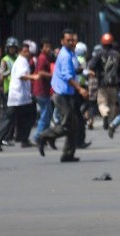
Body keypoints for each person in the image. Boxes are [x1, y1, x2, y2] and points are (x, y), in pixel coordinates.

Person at [38, 29, 88, 162]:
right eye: (68, 40)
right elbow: (67, 76)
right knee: (67, 125)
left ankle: (68, 154)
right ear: (62, 41)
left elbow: (74, 70)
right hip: (61, 94)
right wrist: (80, 89)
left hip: (68, 94)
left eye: (73, 40)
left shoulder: (71, 54)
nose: (71, 42)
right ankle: (44, 136)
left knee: (74, 124)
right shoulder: (65, 55)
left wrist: (86, 72)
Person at [0, 42, 39, 151]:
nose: (27, 53)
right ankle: (2, 139)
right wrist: (33, 77)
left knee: (20, 118)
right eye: (25, 51)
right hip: (19, 96)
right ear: (20, 52)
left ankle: (22, 139)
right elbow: (21, 75)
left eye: (28, 51)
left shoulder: (21, 61)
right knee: (15, 118)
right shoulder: (22, 61)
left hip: (20, 96)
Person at [88, 33, 120, 131]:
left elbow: (91, 65)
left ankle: (105, 114)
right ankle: (109, 120)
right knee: (112, 102)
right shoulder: (117, 55)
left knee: (102, 102)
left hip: (102, 83)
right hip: (114, 83)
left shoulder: (99, 54)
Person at [0, 37, 19, 146]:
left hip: (16, 89)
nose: (12, 50)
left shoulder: (17, 58)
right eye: (10, 48)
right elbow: (1, 74)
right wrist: (10, 72)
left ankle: (9, 136)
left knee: (14, 115)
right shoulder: (5, 60)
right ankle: (3, 136)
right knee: (8, 115)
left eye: (14, 48)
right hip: (8, 89)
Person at [32, 39, 53, 144]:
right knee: (45, 115)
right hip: (41, 90)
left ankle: (44, 135)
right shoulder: (42, 58)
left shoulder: (45, 58)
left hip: (44, 90)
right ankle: (38, 136)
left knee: (48, 114)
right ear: (41, 48)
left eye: (49, 46)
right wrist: (53, 75)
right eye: (46, 47)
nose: (48, 49)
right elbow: (40, 72)